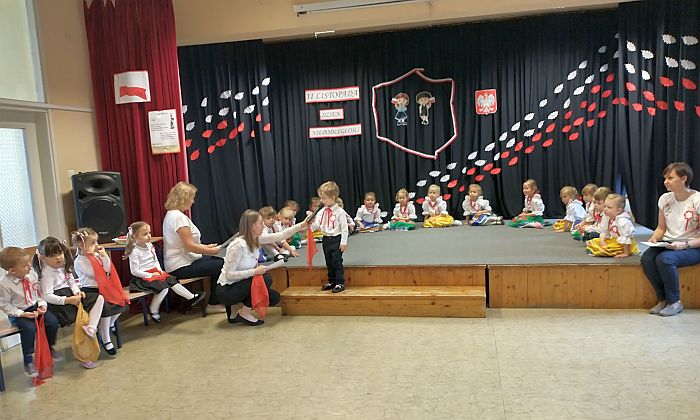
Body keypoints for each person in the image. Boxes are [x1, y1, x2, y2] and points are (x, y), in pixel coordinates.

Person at [217, 210, 307, 325]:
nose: (263, 226)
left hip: (241, 284)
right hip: (226, 289)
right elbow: (229, 275)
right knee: (265, 279)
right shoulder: (237, 245)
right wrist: (254, 271)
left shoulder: (256, 239)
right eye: (260, 223)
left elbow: (281, 235)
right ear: (252, 226)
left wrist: (302, 225)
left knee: (273, 297)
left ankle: (235, 309)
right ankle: (243, 313)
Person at [34, 237, 105, 369]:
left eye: (60, 253)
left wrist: (77, 292)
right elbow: (47, 296)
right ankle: (85, 356)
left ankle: (92, 327)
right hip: (60, 304)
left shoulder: (64, 266)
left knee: (99, 298)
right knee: (81, 321)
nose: (58, 257)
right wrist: (67, 300)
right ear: (44, 258)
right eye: (53, 255)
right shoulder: (47, 273)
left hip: (71, 297)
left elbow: (72, 282)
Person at [642, 162, 700, 316]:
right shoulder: (665, 199)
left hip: (693, 245)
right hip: (670, 243)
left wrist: (684, 245)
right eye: (665, 178)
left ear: (683, 178)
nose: (665, 182)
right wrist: (654, 239)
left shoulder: (697, 200)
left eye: (670, 178)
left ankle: (674, 302)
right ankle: (663, 300)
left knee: (665, 259)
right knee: (647, 258)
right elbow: (661, 228)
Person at [125, 221, 206, 323]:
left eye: (149, 233)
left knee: (171, 280)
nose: (149, 236)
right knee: (164, 288)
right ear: (135, 237)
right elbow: (134, 271)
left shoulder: (149, 245)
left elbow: (155, 260)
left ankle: (191, 297)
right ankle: (153, 310)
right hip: (142, 278)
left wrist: (159, 271)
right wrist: (151, 275)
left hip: (155, 273)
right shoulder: (134, 251)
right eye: (145, 234)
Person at [162, 182, 224, 314]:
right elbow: (189, 246)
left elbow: (184, 244)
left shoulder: (172, 215)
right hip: (180, 266)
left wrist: (206, 247)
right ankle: (213, 304)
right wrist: (210, 251)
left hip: (182, 262)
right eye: (191, 198)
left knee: (217, 260)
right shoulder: (178, 218)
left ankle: (217, 300)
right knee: (221, 264)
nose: (193, 201)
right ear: (184, 198)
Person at [0, 247, 60, 377]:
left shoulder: (31, 274)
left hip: (34, 307)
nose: (30, 266)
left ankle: (50, 346)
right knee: (29, 328)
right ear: (12, 270)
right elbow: (5, 305)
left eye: (29, 263)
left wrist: (42, 305)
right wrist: (22, 314)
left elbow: (38, 293)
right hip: (18, 312)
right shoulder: (4, 284)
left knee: (52, 322)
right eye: (25, 265)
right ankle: (28, 360)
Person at [72, 228, 129, 356]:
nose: (96, 245)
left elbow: (108, 270)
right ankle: (106, 339)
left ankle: (109, 326)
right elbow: (96, 274)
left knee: (122, 301)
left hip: (104, 288)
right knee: (106, 308)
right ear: (81, 245)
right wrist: (97, 260)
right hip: (91, 292)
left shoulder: (96, 256)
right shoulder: (79, 261)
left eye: (96, 242)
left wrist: (104, 256)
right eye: (92, 243)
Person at [311, 181, 350, 293]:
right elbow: (317, 224)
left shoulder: (340, 212)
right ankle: (332, 281)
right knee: (328, 261)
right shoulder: (322, 211)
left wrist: (343, 242)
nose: (321, 200)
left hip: (336, 239)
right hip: (326, 240)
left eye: (323, 198)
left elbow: (344, 228)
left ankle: (339, 282)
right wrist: (308, 228)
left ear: (332, 198)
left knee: (336, 261)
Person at [585, 193, 639, 258]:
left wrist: (626, 253)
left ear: (618, 210)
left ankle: (617, 251)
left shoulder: (622, 221)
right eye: (605, 206)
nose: (605, 209)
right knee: (595, 241)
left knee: (606, 248)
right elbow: (606, 232)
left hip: (622, 245)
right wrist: (602, 240)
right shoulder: (610, 218)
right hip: (614, 240)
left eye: (609, 207)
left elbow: (625, 237)